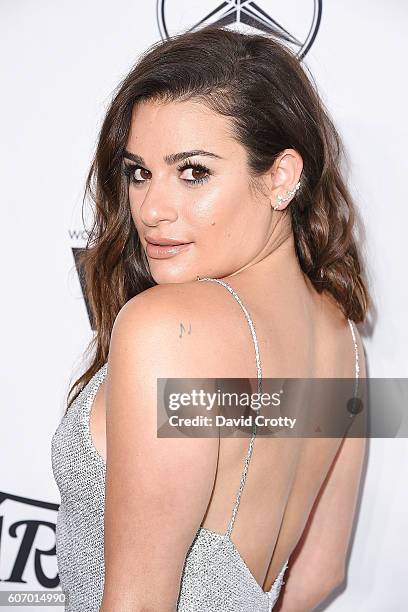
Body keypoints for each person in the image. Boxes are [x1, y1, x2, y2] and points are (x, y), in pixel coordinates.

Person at [51, 24, 369, 612]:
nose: (151, 207)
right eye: (139, 171)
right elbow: (318, 575)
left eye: (193, 172)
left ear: (280, 177)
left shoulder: (168, 327)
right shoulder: (344, 338)